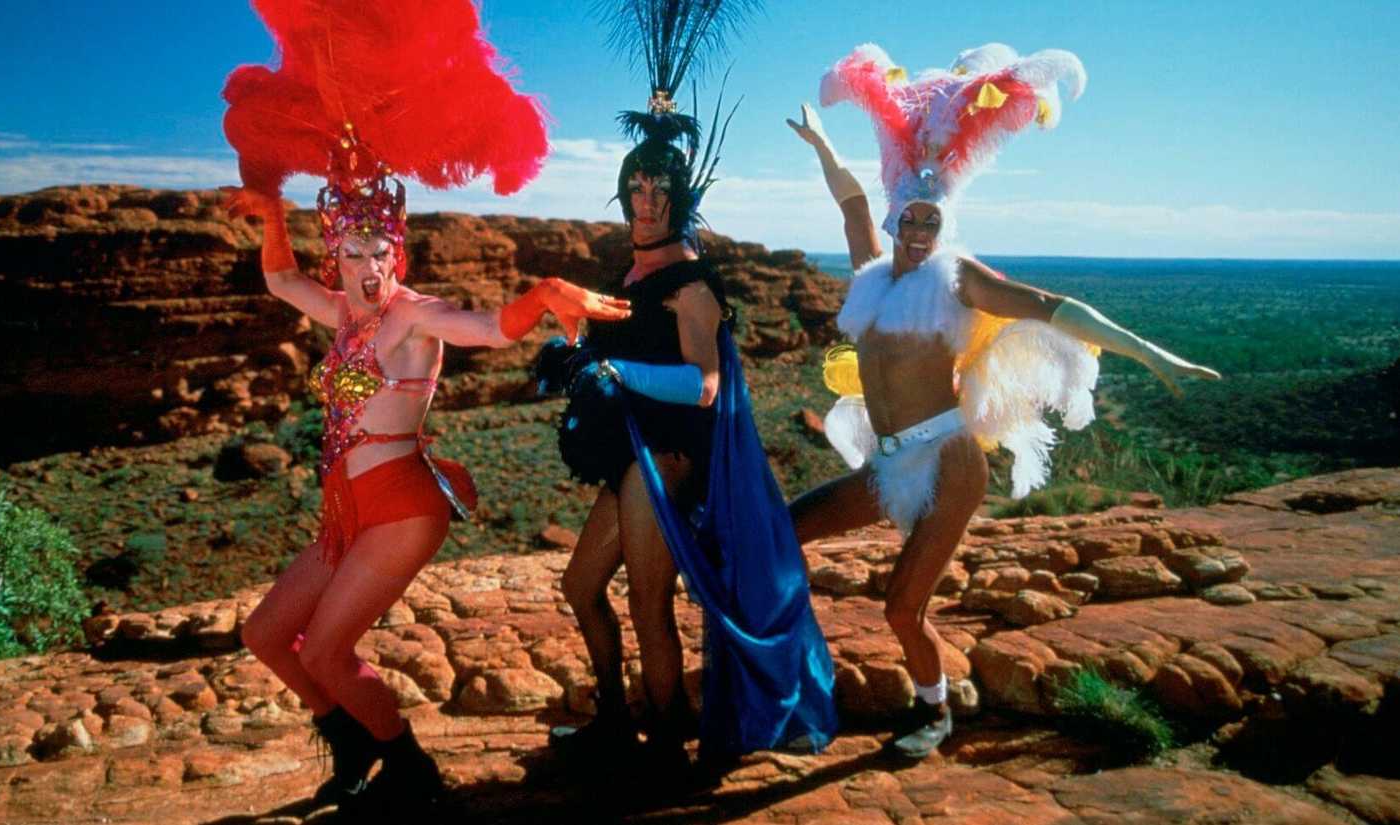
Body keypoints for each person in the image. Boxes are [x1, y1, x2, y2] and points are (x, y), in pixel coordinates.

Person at [219, 0, 628, 813]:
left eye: (377, 252)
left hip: (403, 506)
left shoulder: (410, 311)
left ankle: (410, 776)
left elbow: (484, 329)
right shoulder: (343, 312)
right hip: (347, 509)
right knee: (267, 635)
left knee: (330, 651)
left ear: (396, 249)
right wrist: (271, 214)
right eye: (348, 251)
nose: (365, 267)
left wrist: (542, 294)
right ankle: (351, 749)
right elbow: (276, 279)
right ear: (332, 250)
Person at [787, 43, 1220, 759]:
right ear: (897, 220)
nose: (920, 230)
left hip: (951, 465)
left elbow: (1050, 305)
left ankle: (933, 713)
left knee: (901, 606)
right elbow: (852, 199)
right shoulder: (870, 274)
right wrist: (823, 143)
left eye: (931, 219)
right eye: (911, 218)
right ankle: (786, 684)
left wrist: (1147, 351)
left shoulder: (956, 280)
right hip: (890, 459)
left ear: (943, 222)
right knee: (781, 533)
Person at [538, 0, 838, 776]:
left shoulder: (693, 283)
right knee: (580, 587)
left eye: (658, 185)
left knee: (647, 602)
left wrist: (616, 372)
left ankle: (666, 745)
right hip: (628, 456)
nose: (645, 196)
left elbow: (703, 387)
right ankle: (617, 717)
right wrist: (566, 349)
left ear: (679, 194)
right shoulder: (633, 272)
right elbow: (606, 337)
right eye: (635, 183)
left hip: (667, 458)